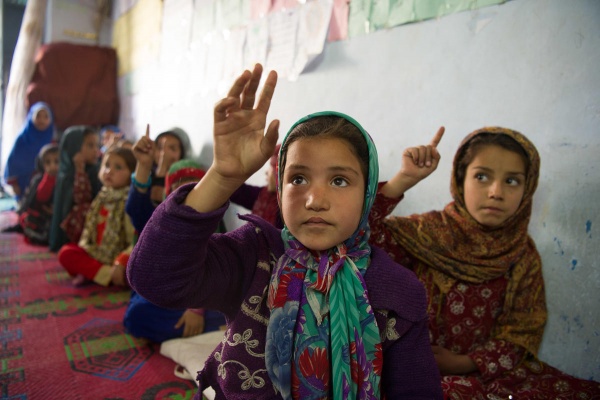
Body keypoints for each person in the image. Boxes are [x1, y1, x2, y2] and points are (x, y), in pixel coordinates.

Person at [127, 64, 442, 399]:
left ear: (367, 194)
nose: (315, 200)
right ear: (280, 187)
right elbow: (153, 277)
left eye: (339, 180)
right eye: (298, 178)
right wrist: (221, 174)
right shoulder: (256, 255)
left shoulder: (398, 291)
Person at [368, 126, 600, 398]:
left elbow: (522, 331)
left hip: (490, 375)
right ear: (459, 179)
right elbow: (360, 237)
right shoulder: (422, 233)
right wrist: (403, 180)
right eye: (481, 176)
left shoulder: (522, 253)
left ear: (528, 189)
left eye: (512, 181)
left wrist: (464, 362)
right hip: (411, 369)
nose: (496, 192)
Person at [123, 158, 226, 342]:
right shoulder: (159, 222)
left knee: (232, 310)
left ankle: (195, 326)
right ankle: (205, 329)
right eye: (180, 191)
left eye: (196, 191)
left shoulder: (213, 226)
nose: (190, 199)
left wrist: (196, 309)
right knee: (136, 315)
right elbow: (135, 208)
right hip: (159, 298)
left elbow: (214, 274)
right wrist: (144, 165)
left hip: (196, 300)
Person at [57, 146, 136, 287]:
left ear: (132, 173)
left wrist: (121, 261)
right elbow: (88, 234)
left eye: (118, 167)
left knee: (135, 271)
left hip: (120, 259)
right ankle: (106, 275)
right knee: (66, 252)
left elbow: (135, 241)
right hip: (97, 254)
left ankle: (96, 273)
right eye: (106, 165)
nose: (109, 171)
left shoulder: (129, 201)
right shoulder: (102, 196)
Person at [49, 126, 102, 252]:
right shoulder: (66, 175)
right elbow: (80, 199)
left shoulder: (97, 170)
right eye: (90, 146)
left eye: (97, 146)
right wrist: (80, 171)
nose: (96, 151)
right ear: (74, 148)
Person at [3, 102, 55, 199]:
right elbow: (13, 161)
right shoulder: (22, 139)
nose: (41, 120)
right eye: (38, 116)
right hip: (24, 183)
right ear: (31, 117)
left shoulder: (51, 140)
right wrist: (14, 184)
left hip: (45, 181)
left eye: (46, 117)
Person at [230, 143, 283, 228]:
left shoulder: (288, 211)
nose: (266, 172)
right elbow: (233, 190)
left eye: (271, 167)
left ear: (279, 174)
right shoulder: (264, 195)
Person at [18, 143, 59, 245]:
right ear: (42, 164)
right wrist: (49, 179)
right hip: (41, 214)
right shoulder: (39, 179)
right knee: (26, 218)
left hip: (57, 216)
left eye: (57, 161)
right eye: (48, 163)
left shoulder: (65, 179)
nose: (53, 166)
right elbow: (40, 198)